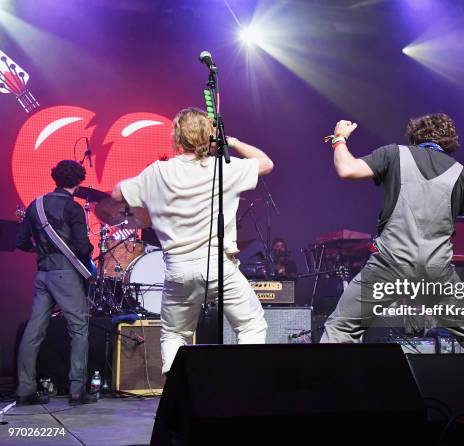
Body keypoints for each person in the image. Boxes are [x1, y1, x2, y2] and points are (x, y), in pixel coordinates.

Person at [320, 113, 464, 352]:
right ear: (449, 142)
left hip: (389, 265)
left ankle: (325, 386)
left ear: (415, 136)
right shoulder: (461, 173)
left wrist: (339, 138)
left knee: (341, 328)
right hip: (437, 273)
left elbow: (346, 169)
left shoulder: (394, 153)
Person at [111, 107, 273, 374]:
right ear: (208, 136)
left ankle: (178, 396)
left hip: (178, 268)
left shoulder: (158, 172)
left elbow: (117, 193)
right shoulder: (224, 169)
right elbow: (266, 163)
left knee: (175, 334)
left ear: (177, 137)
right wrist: (230, 142)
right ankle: (247, 384)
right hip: (219, 267)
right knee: (251, 325)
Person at [15, 160, 96, 405]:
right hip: (65, 273)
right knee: (79, 328)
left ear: (55, 179)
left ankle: (25, 390)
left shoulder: (35, 205)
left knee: (34, 331)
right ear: (79, 181)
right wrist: (88, 250)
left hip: (43, 273)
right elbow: (82, 247)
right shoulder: (73, 209)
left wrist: (42, 250)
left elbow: (20, 242)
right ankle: (77, 390)